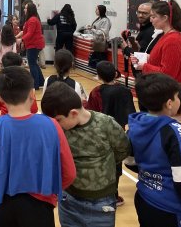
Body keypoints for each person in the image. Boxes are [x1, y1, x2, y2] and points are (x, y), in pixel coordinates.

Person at [0, 66, 76, 227]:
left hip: (6, 204)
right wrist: (51, 193)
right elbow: (69, 172)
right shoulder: (52, 124)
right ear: (33, 94)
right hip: (41, 205)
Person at [127, 74, 181, 227]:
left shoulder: (135, 123)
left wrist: (153, 176)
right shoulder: (177, 132)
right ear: (170, 103)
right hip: (173, 209)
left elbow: (129, 161)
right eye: (177, 96)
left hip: (144, 198)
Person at [41, 82, 130, 227]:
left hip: (102, 202)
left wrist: (102, 167)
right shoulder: (59, 130)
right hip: (68, 199)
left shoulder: (106, 124)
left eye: (58, 120)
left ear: (74, 113)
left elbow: (123, 149)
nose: (56, 124)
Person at [132, 0, 181, 83]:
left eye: (154, 17)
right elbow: (162, 58)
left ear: (165, 18)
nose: (151, 20)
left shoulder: (172, 40)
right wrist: (146, 57)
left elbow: (168, 74)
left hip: (166, 90)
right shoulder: (165, 35)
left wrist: (144, 66)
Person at [86, 61, 136, 129]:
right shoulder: (125, 90)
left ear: (99, 77)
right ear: (115, 74)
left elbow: (92, 111)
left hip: (103, 126)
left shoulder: (96, 92)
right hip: (120, 127)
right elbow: (130, 110)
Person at [121, 2, 161, 77]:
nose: (140, 15)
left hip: (147, 76)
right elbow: (142, 51)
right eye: (139, 12)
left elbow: (141, 56)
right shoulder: (145, 29)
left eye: (145, 13)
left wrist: (126, 48)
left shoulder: (151, 32)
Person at [16, 2, 45, 90]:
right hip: (33, 44)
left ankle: (35, 85)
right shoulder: (31, 19)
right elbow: (26, 32)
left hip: (34, 44)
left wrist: (21, 40)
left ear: (30, 10)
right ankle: (40, 82)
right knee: (34, 64)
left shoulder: (32, 20)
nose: (24, 10)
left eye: (25, 8)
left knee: (32, 64)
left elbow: (30, 33)